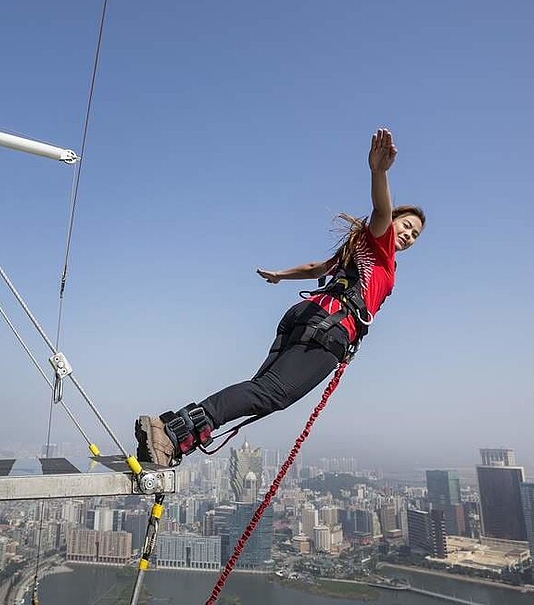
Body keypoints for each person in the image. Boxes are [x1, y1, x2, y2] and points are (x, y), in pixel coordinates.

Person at [135, 127, 425, 466]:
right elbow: (379, 211)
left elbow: (317, 268)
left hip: (307, 319)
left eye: (415, 236)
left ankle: (175, 434)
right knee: (272, 393)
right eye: (405, 226)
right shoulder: (382, 250)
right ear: (393, 222)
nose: (407, 235)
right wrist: (379, 173)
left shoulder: (357, 249)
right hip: (329, 329)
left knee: (262, 389)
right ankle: (170, 431)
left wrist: (280, 275)